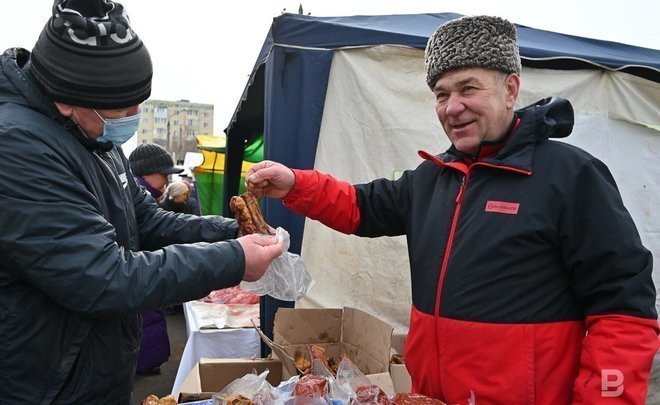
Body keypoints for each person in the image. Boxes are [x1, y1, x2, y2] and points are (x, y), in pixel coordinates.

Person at [245, 15, 659, 404]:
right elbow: (362, 206)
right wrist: (296, 184)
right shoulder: (433, 177)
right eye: (441, 95)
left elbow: (624, 312)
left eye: (468, 88)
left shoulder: (570, 176)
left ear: (510, 89)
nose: (451, 107)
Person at [0, 0, 283, 403]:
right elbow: (102, 276)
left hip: (98, 370)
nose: (132, 118)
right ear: (67, 100)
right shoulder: (17, 146)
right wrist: (233, 259)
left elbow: (146, 221)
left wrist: (230, 231)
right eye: (122, 109)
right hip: (46, 384)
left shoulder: (94, 136)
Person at [127, 144, 185, 375]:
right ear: (146, 173)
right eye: (164, 174)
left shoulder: (143, 197)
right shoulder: (136, 199)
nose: (167, 181)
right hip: (143, 286)